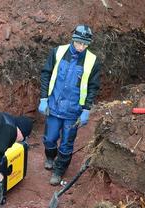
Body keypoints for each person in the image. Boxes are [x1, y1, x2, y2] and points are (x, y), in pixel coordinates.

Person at [38, 24, 101, 186]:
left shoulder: (92, 61)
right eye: (79, 43)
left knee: (66, 144)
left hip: (73, 110)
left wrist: (86, 109)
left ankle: (59, 171)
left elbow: (93, 87)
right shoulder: (58, 52)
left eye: (85, 44)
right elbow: (46, 74)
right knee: (49, 139)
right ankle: (50, 156)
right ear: (73, 40)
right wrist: (44, 98)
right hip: (54, 106)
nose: (82, 47)